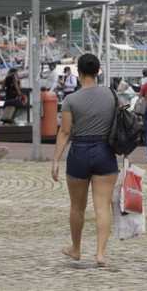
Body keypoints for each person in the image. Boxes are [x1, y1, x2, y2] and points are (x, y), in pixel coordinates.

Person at [52, 53, 119, 268]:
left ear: (79, 73)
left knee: (77, 208)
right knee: (102, 208)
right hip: (105, 151)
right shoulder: (111, 95)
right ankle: (100, 254)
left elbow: (64, 132)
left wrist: (55, 161)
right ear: (97, 72)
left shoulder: (71, 100)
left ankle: (76, 248)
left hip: (79, 151)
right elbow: (120, 126)